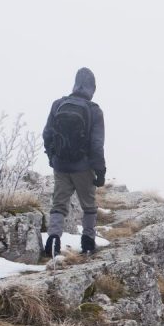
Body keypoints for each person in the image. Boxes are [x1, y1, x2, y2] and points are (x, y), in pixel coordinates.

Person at [42, 67, 106, 257]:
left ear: (75, 84)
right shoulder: (94, 111)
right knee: (89, 206)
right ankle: (87, 243)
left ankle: (53, 241)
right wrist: (100, 172)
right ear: (92, 88)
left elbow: (47, 134)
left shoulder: (57, 104)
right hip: (83, 167)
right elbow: (96, 144)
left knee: (59, 204)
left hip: (61, 165)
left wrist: (52, 158)